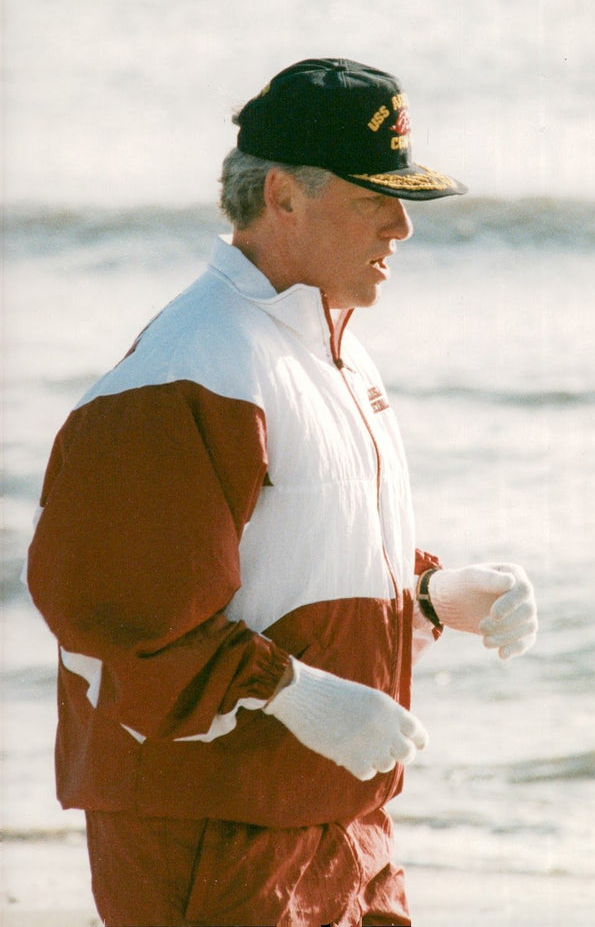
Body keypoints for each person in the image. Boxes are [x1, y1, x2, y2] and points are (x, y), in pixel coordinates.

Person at [26, 57, 538, 927]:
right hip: (212, 826)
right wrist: (299, 695)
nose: (402, 228)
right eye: (376, 197)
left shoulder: (331, 349)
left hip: (339, 817)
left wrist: (424, 597)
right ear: (282, 196)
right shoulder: (188, 372)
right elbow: (118, 622)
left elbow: (284, 563)